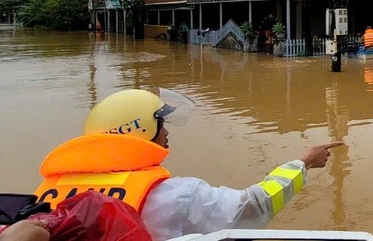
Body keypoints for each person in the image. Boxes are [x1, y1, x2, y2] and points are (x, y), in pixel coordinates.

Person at [34, 89, 344, 241]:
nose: (167, 131)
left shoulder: (47, 193)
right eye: (161, 124)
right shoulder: (176, 197)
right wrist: (303, 163)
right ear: (137, 130)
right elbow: (252, 207)